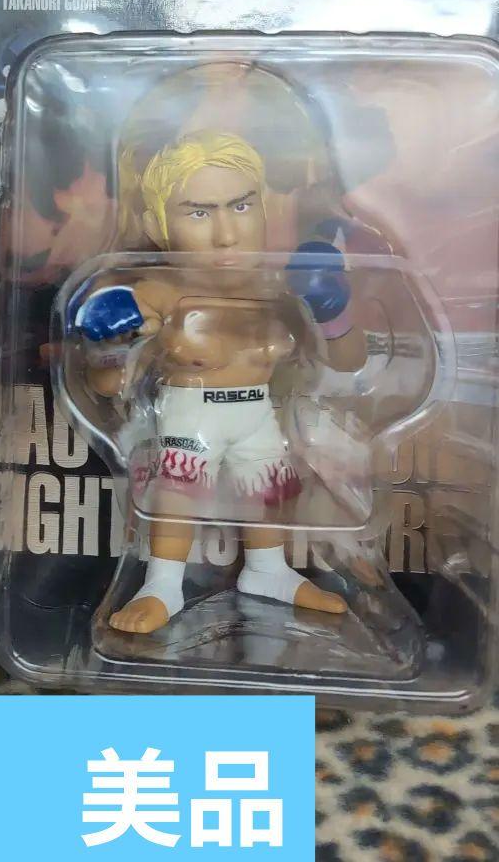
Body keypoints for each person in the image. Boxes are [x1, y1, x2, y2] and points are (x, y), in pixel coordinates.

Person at [72, 130, 364, 634]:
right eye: (199, 213)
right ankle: (162, 586)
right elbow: (105, 385)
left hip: (257, 411)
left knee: (268, 492)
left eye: (241, 206)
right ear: (158, 224)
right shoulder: (158, 292)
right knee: (177, 493)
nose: (227, 234)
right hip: (192, 411)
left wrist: (331, 308)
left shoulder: (279, 288)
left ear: (265, 205)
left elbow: (347, 360)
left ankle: (269, 571)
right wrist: (109, 342)